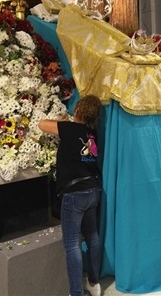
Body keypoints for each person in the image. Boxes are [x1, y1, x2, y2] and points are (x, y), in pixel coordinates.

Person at [38, 94, 102, 296]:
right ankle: (93, 282)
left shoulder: (69, 129)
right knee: (92, 238)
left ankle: (76, 292)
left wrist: (64, 120)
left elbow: (41, 124)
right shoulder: (94, 134)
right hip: (93, 190)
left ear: (79, 110)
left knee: (72, 244)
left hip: (74, 194)